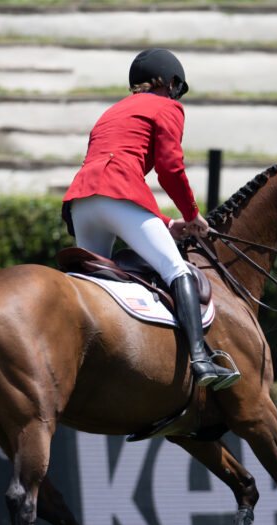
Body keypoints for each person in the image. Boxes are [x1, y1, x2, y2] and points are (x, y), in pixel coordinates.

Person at [62, 48, 239, 390]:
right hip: (118, 195)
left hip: (82, 202)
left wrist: (169, 224)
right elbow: (170, 169)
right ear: (172, 83)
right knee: (177, 269)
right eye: (178, 88)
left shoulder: (109, 113)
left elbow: (109, 170)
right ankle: (201, 360)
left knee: (94, 289)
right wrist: (192, 215)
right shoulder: (167, 107)